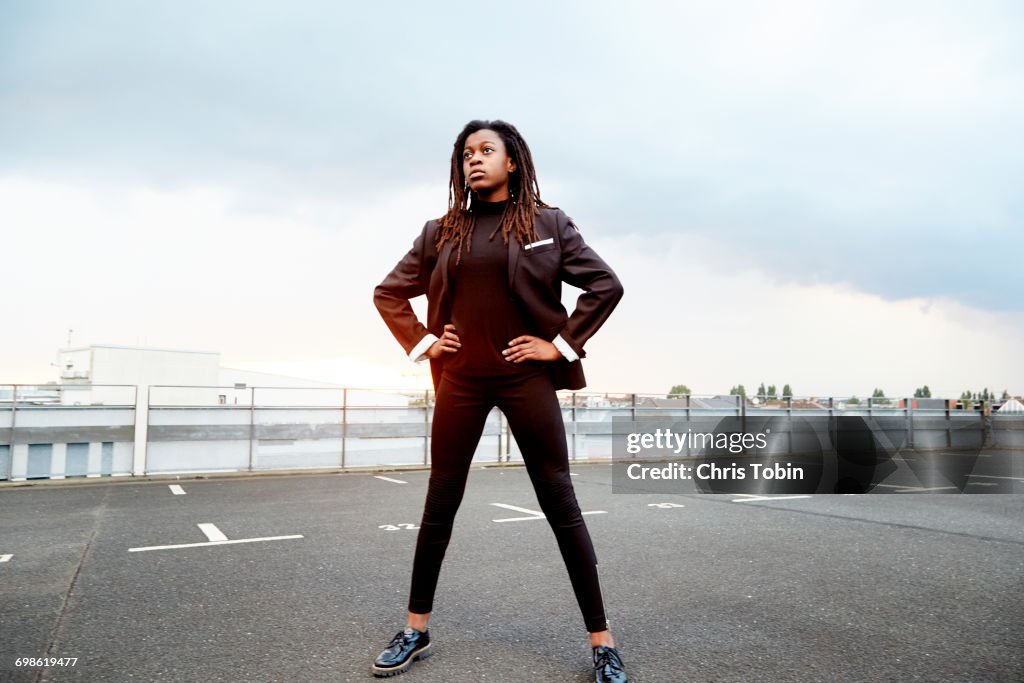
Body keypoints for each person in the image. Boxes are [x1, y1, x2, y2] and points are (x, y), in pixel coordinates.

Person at [372, 119, 627, 682]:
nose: (474, 159)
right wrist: (426, 342)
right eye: (467, 153)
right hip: (461, 379)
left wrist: (556, 346)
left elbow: (605, 285)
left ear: (513, 162)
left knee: (560, 500)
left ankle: (602, 642)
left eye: (487, 150)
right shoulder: (442, 230)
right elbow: (388, 291)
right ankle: (415, 629)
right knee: (440, 501)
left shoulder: (547, 223)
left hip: (524, 379)